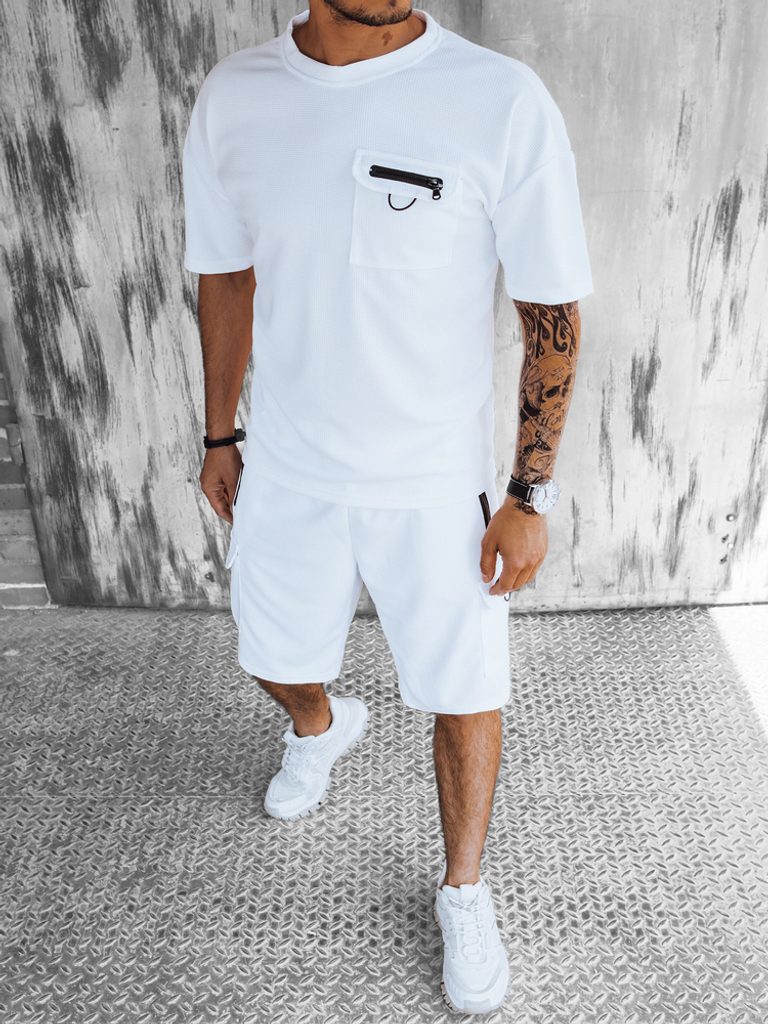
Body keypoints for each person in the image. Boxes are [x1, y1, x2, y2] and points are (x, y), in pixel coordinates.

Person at [182, 2, 592, 1014]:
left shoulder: (499, 100)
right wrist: (221, 434)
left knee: (464, 688)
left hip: (433, 479)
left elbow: (551, 313)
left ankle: (464, 891)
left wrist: (528, 492)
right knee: (270, 654)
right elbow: (225, 276)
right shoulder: (236, 98)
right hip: (289, 463)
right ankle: (321, 725)